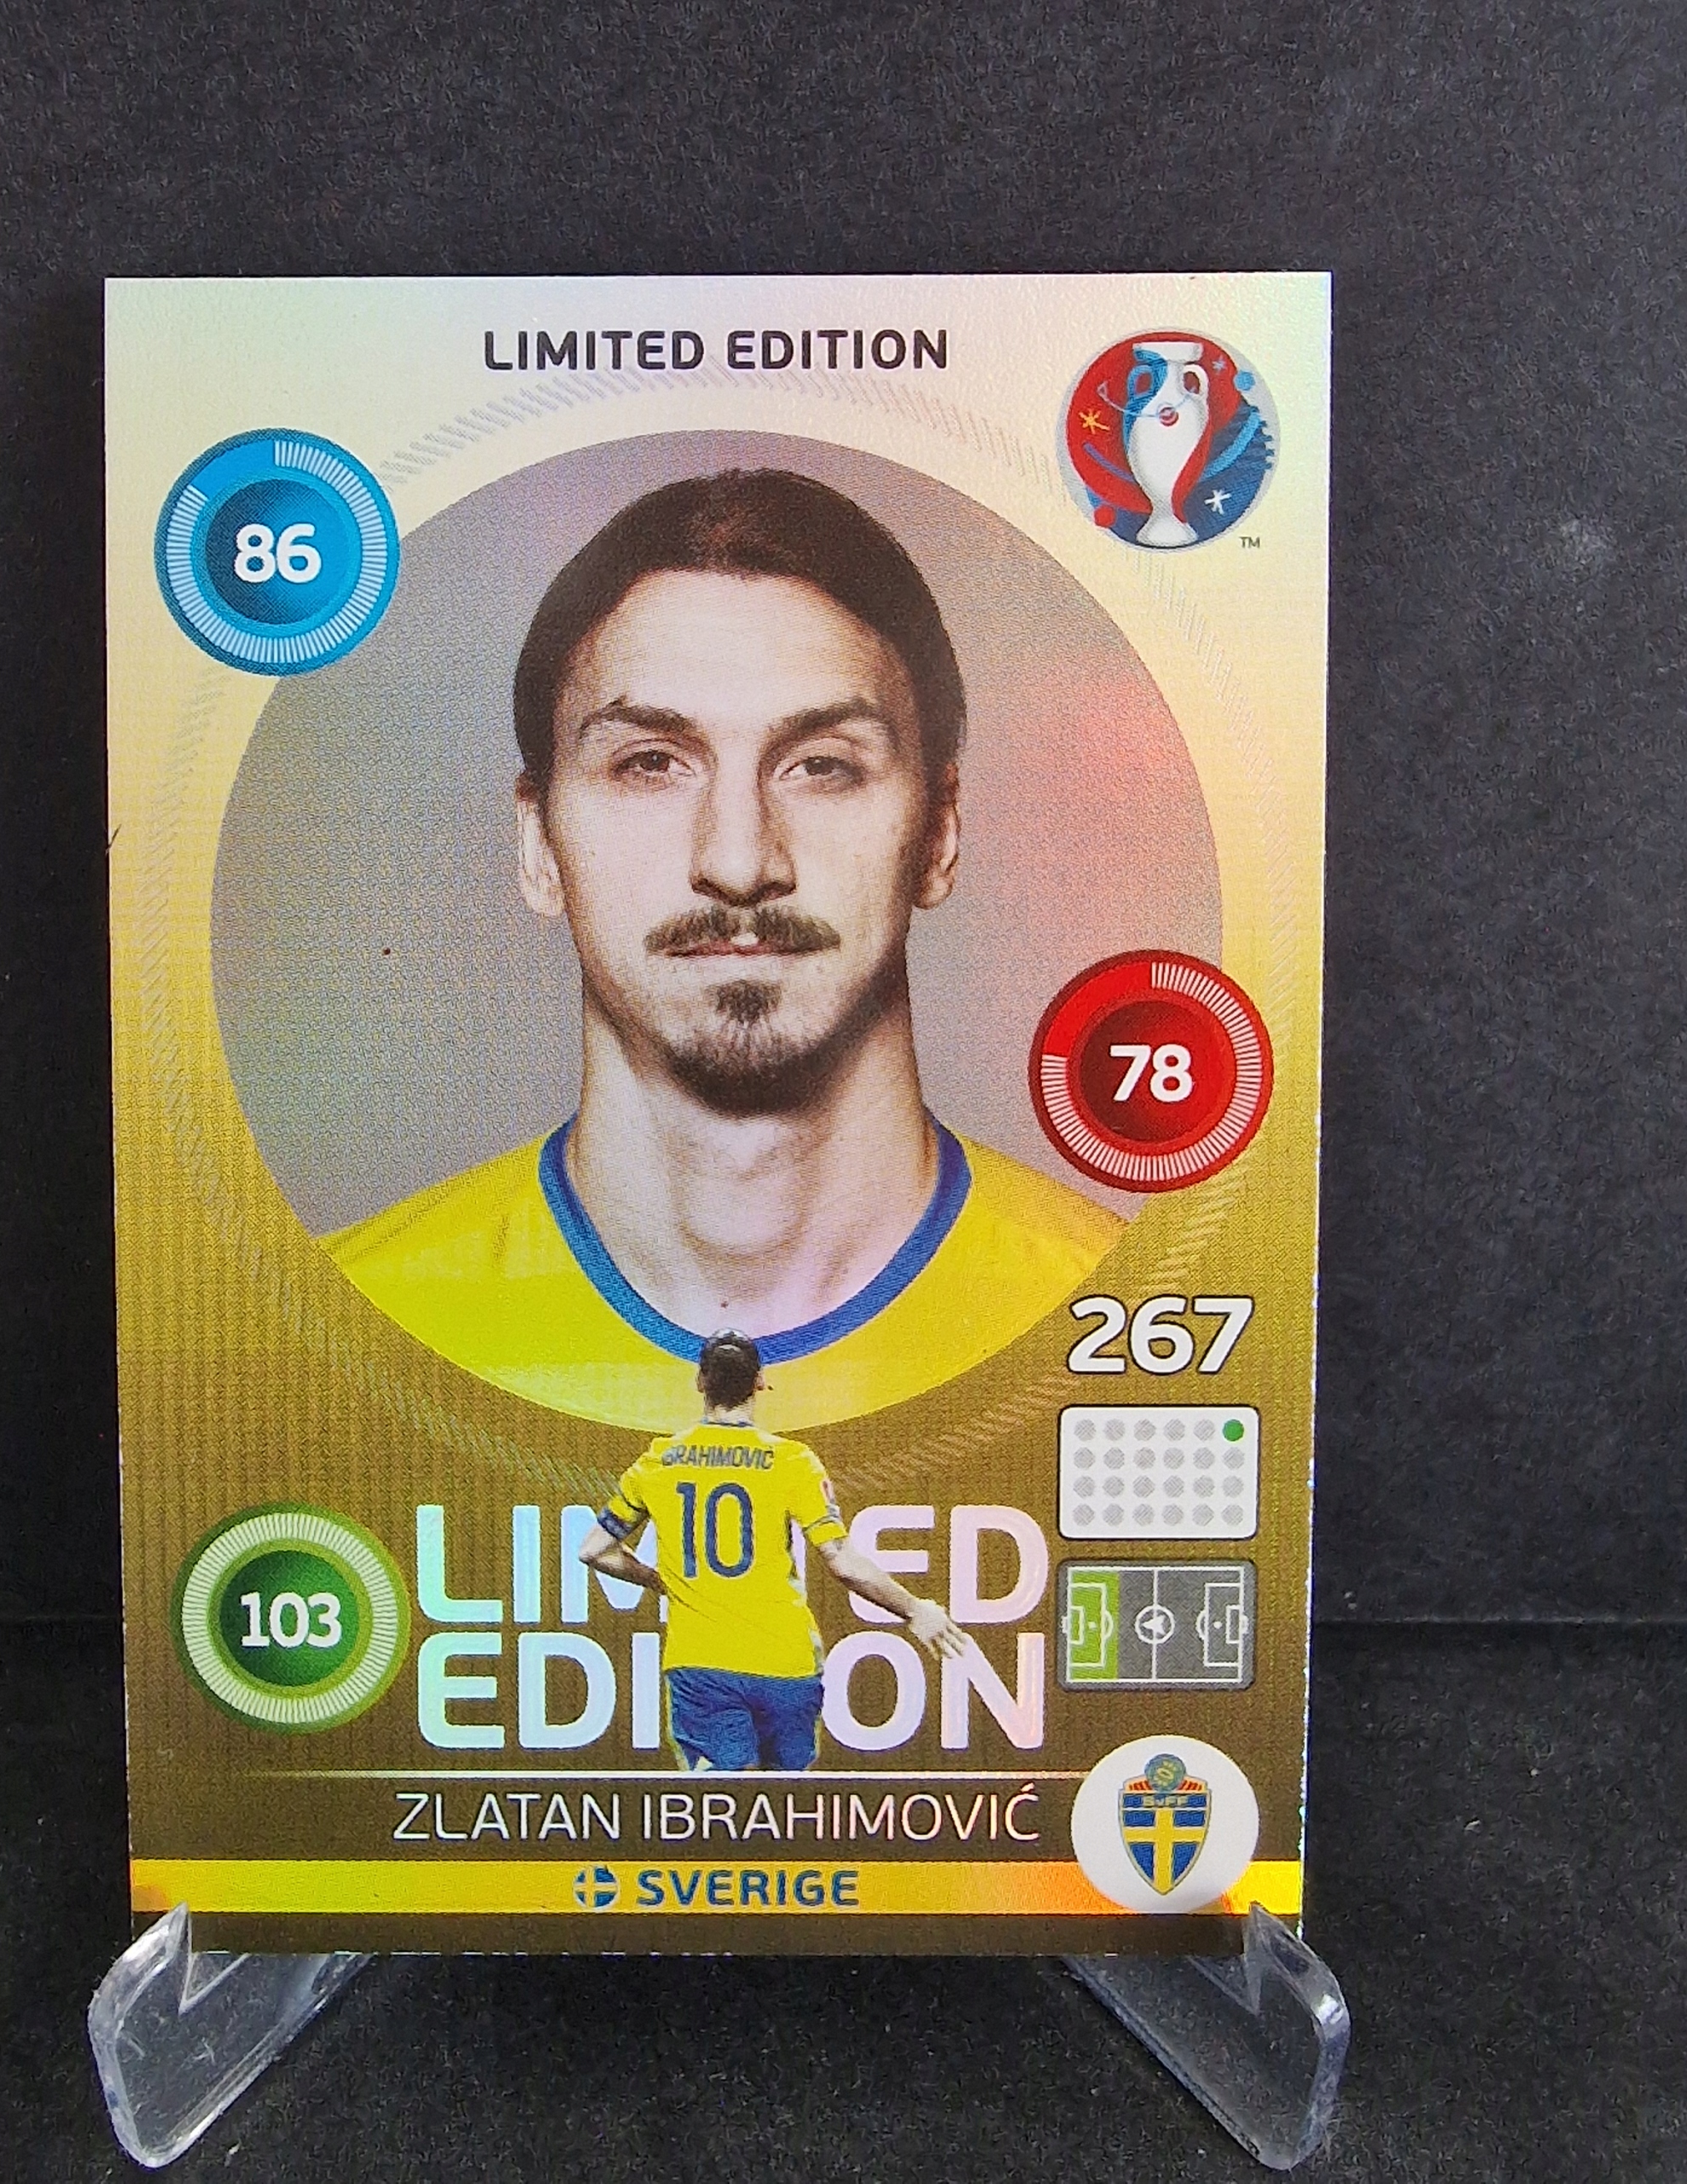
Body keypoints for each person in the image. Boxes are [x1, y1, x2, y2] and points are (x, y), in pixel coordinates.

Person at [329, 468, 1120, 1431]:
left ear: (939, 833)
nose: (739, 862)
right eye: (649, 764)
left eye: (822, 766)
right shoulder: (341, 1329)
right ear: (538, 845)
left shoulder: (1116, 1319)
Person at [579, 1331, 968, 1772]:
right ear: (759, 1382)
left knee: (723, 1807)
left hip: (702, 1664)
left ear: (700, 1381)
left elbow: (594, 1550)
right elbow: (842, 1561)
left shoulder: (659, 1462)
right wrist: (915, 1609)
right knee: (783, 1806)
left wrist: (663, 1582)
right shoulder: (791, 1461)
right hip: (786, 1665)